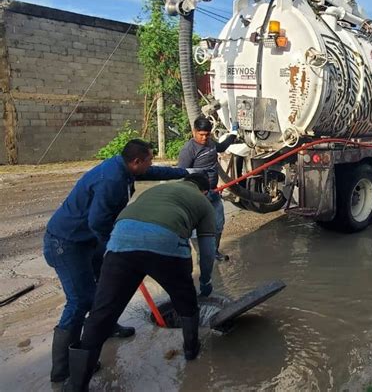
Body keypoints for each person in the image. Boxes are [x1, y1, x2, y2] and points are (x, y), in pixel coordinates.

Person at [43, 139, 188, 383]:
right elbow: (97, 222)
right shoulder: (111, 181)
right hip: (66, 243)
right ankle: (63, 368)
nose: (151, 164)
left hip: (86, 240)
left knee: (106, 284)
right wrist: (118, 244)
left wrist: (183, 172)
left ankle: (106, 325)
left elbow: (151, 172)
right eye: (149, 159)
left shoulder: (123, 167)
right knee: (80, 300)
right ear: (136, 161)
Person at [63, 173, 216, 391]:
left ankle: (76, 384)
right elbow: (208, 251)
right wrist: (207, 280)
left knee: (102, 312)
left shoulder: (158, 190)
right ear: (205, 191)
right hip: (165, 243)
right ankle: (191, 349)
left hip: (120, 241)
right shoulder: (203, 202)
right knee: (186, 298)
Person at [178, 116, 238, 261]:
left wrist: (233, 134)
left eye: (207, 134)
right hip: (196, 196)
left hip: (213, 192)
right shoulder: (188, 150)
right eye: (201, 134)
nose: (204, 138)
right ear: (194, 132)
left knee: (218, 224)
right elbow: (182, 174)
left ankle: (214, 251)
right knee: (195, 230)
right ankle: (202, 255)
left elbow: (222, 147)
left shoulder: (211, 144)